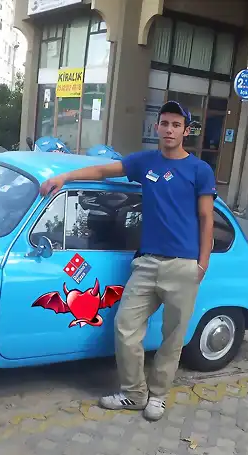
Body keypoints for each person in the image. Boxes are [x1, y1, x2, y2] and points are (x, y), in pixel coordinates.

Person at [40, 101, 216, 421]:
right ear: (157, 128)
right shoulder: (143, 162)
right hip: (147, 263)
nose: (169, 129)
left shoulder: (199, 170)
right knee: (125, 327)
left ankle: (158, 395)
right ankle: (134, 393)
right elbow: (103, 169)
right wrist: (65, 177)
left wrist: (201, 264)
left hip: (183, 265)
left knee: (173, 337)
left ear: (185, 131)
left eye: (176, 125)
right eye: (164, 123)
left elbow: (207, 219)